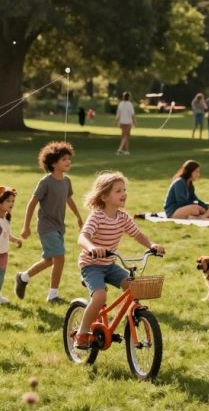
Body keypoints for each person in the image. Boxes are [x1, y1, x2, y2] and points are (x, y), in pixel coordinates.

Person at [74, 171, 164, 349]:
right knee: (100, 297)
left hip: (109, 264)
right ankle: (82, 333)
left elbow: (137, 234)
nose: (123, 193)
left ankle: (133, 318)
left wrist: (151, 245)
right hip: (91, 265)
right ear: (105, 196)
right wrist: (92, 248)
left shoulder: (122, 216)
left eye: (124, 189)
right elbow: (82, 237)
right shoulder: (97, 216)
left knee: (134, 288)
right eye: (118, 191)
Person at [16, 141, 83, 304]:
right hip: (46, 226)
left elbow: (69, 199)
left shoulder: (66, 181)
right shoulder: (46, 182)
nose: (68, 162)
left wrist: (78, 216)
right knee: (59, 257)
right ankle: (53, 295)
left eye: (69, 158)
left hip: (59, 226)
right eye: (64, 159)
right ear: (53, 163)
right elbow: (32, 203)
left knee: (49, 260)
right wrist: (26, 226)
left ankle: (23, 277)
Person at [0, 187, 22, 304]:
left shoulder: (6, 218)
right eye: (8, 201)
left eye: (13, 201)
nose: (11, 203)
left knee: (1, 276)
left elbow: (6, 234)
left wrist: (15, 240)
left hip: (3, 253)